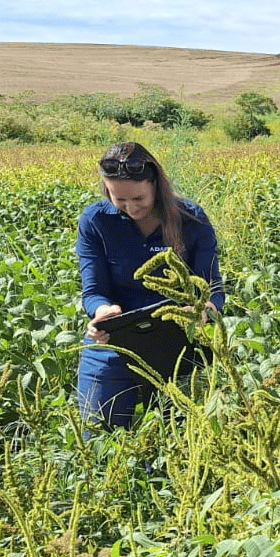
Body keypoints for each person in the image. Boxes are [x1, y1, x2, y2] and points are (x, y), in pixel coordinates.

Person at [77, 140, 225, 429]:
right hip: (115, 339)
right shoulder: (95, 221)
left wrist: (204, 311)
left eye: (139, 199)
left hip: (180, 339)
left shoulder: (191, 219)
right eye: (118, 200)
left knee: (180, 437)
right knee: (98, 432)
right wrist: (102, 312)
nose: (130, 207)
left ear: (156, 185)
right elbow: (93, 291)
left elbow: (213, 288)